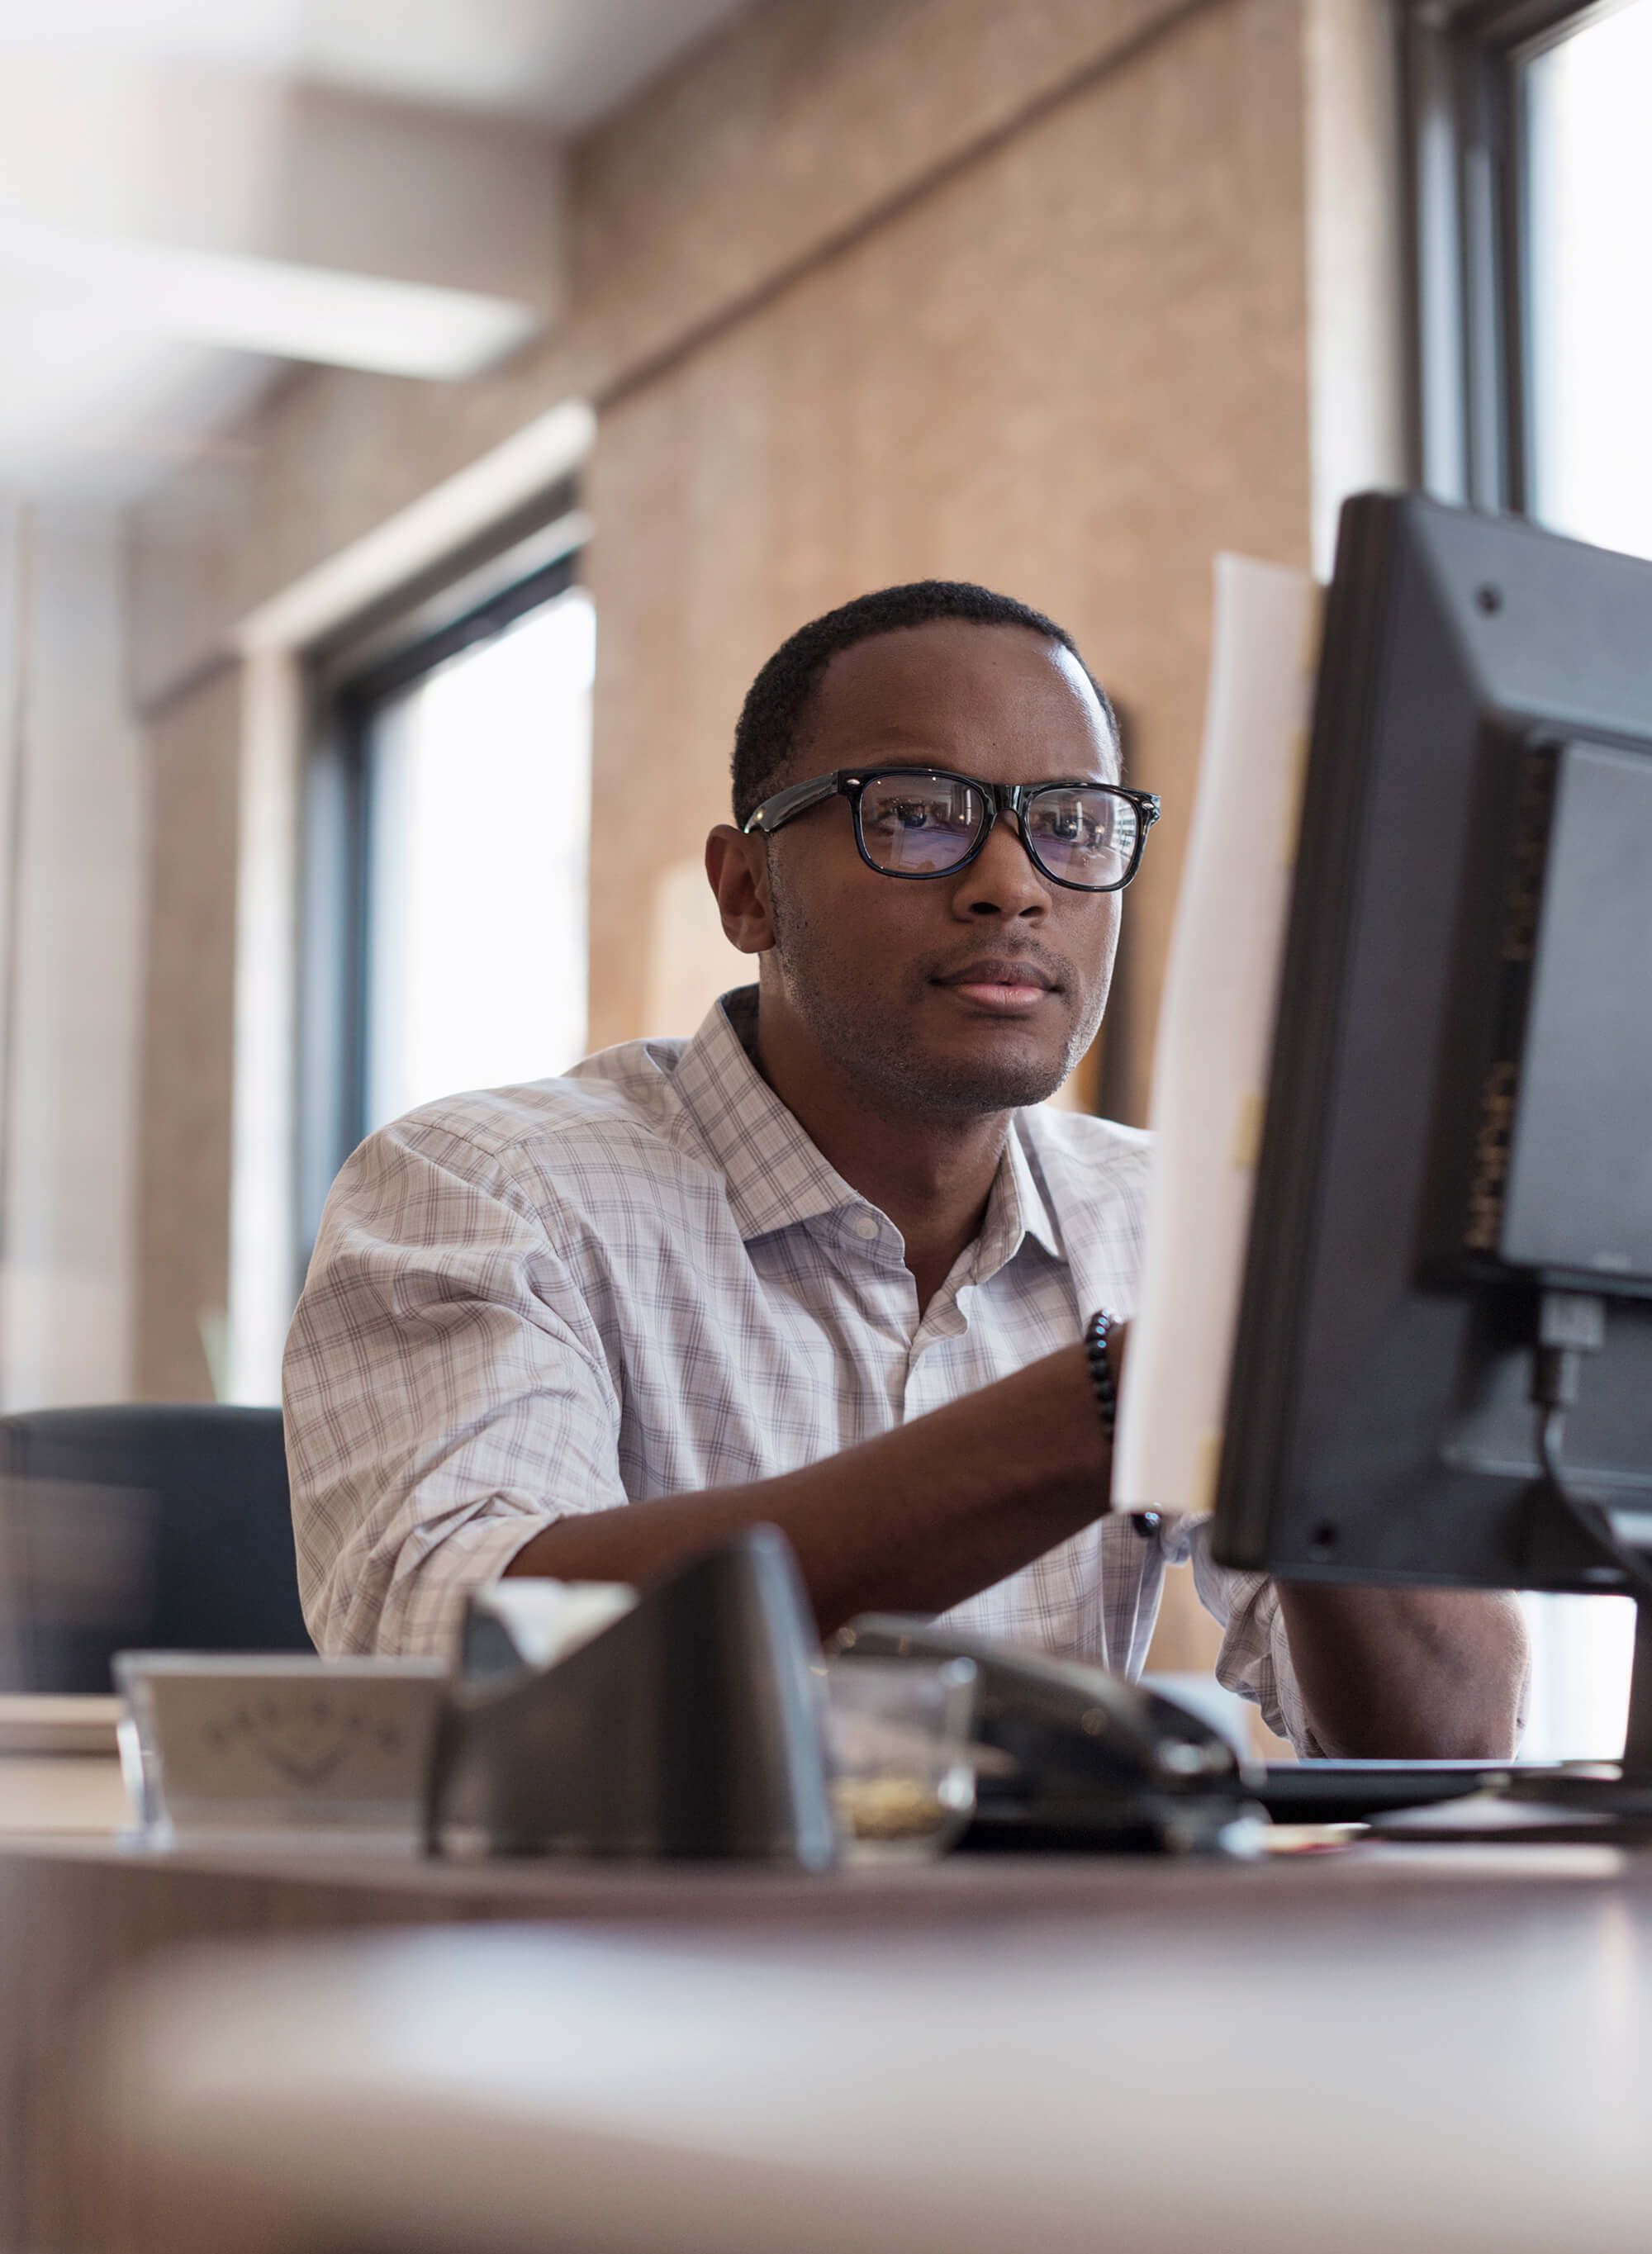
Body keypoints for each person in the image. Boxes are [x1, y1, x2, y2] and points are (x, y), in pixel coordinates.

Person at [284, 580, 1527, 1756]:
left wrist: (1327, 1400)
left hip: (1055, 1971)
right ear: (747, 889)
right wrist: (1113, 1403)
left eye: (1073, 826)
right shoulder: (486, 1186)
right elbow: (453, 1655)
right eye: (919, 816)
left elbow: (1454, 1741)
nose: (1012, 886)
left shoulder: (1182, 1224)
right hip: (630, 1967)